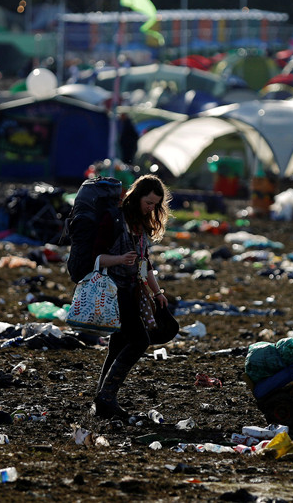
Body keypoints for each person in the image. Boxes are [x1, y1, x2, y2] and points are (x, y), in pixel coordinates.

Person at [91, 174, 171, 420]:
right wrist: (119, 259)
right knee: (139, 340)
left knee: (118, 344)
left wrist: (157, 292)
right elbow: (95, 259)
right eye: (148, 202)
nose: (151, 208)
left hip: (133, 291)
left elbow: (145, 262)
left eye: (156, 205)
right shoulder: (114, 220)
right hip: (113, 291)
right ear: (137, 197)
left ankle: (102, 400)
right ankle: (106, 397)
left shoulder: (141, 224)